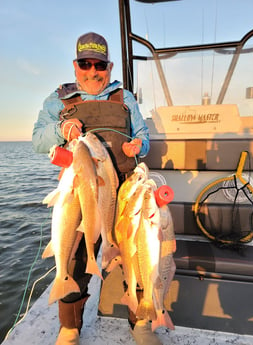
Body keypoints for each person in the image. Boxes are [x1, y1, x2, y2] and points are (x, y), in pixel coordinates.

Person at [32, 32, 163, 345]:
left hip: (125, 191)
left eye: (100, 65)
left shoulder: (124, 97)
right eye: (85, 63)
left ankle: (141, 323)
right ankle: (69, 328)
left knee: (138, 251)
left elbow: (143, 137)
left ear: (110, 67)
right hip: (82, 193)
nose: (93, 71)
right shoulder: (58, 99)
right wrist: (60, 128)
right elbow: (38, 140)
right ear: (75, 66)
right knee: (76, 256)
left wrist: (137, 145)